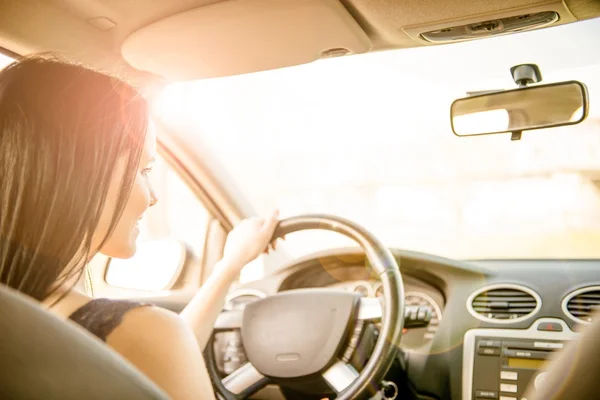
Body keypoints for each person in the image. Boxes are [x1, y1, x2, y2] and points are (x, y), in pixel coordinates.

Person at [0, 54, 281, 400]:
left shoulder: (18, 323)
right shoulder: (143, 335)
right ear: (84, 175)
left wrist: (228, 267)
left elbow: (148, 364)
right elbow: (153, 350)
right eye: (145, 170)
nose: (153, 199)